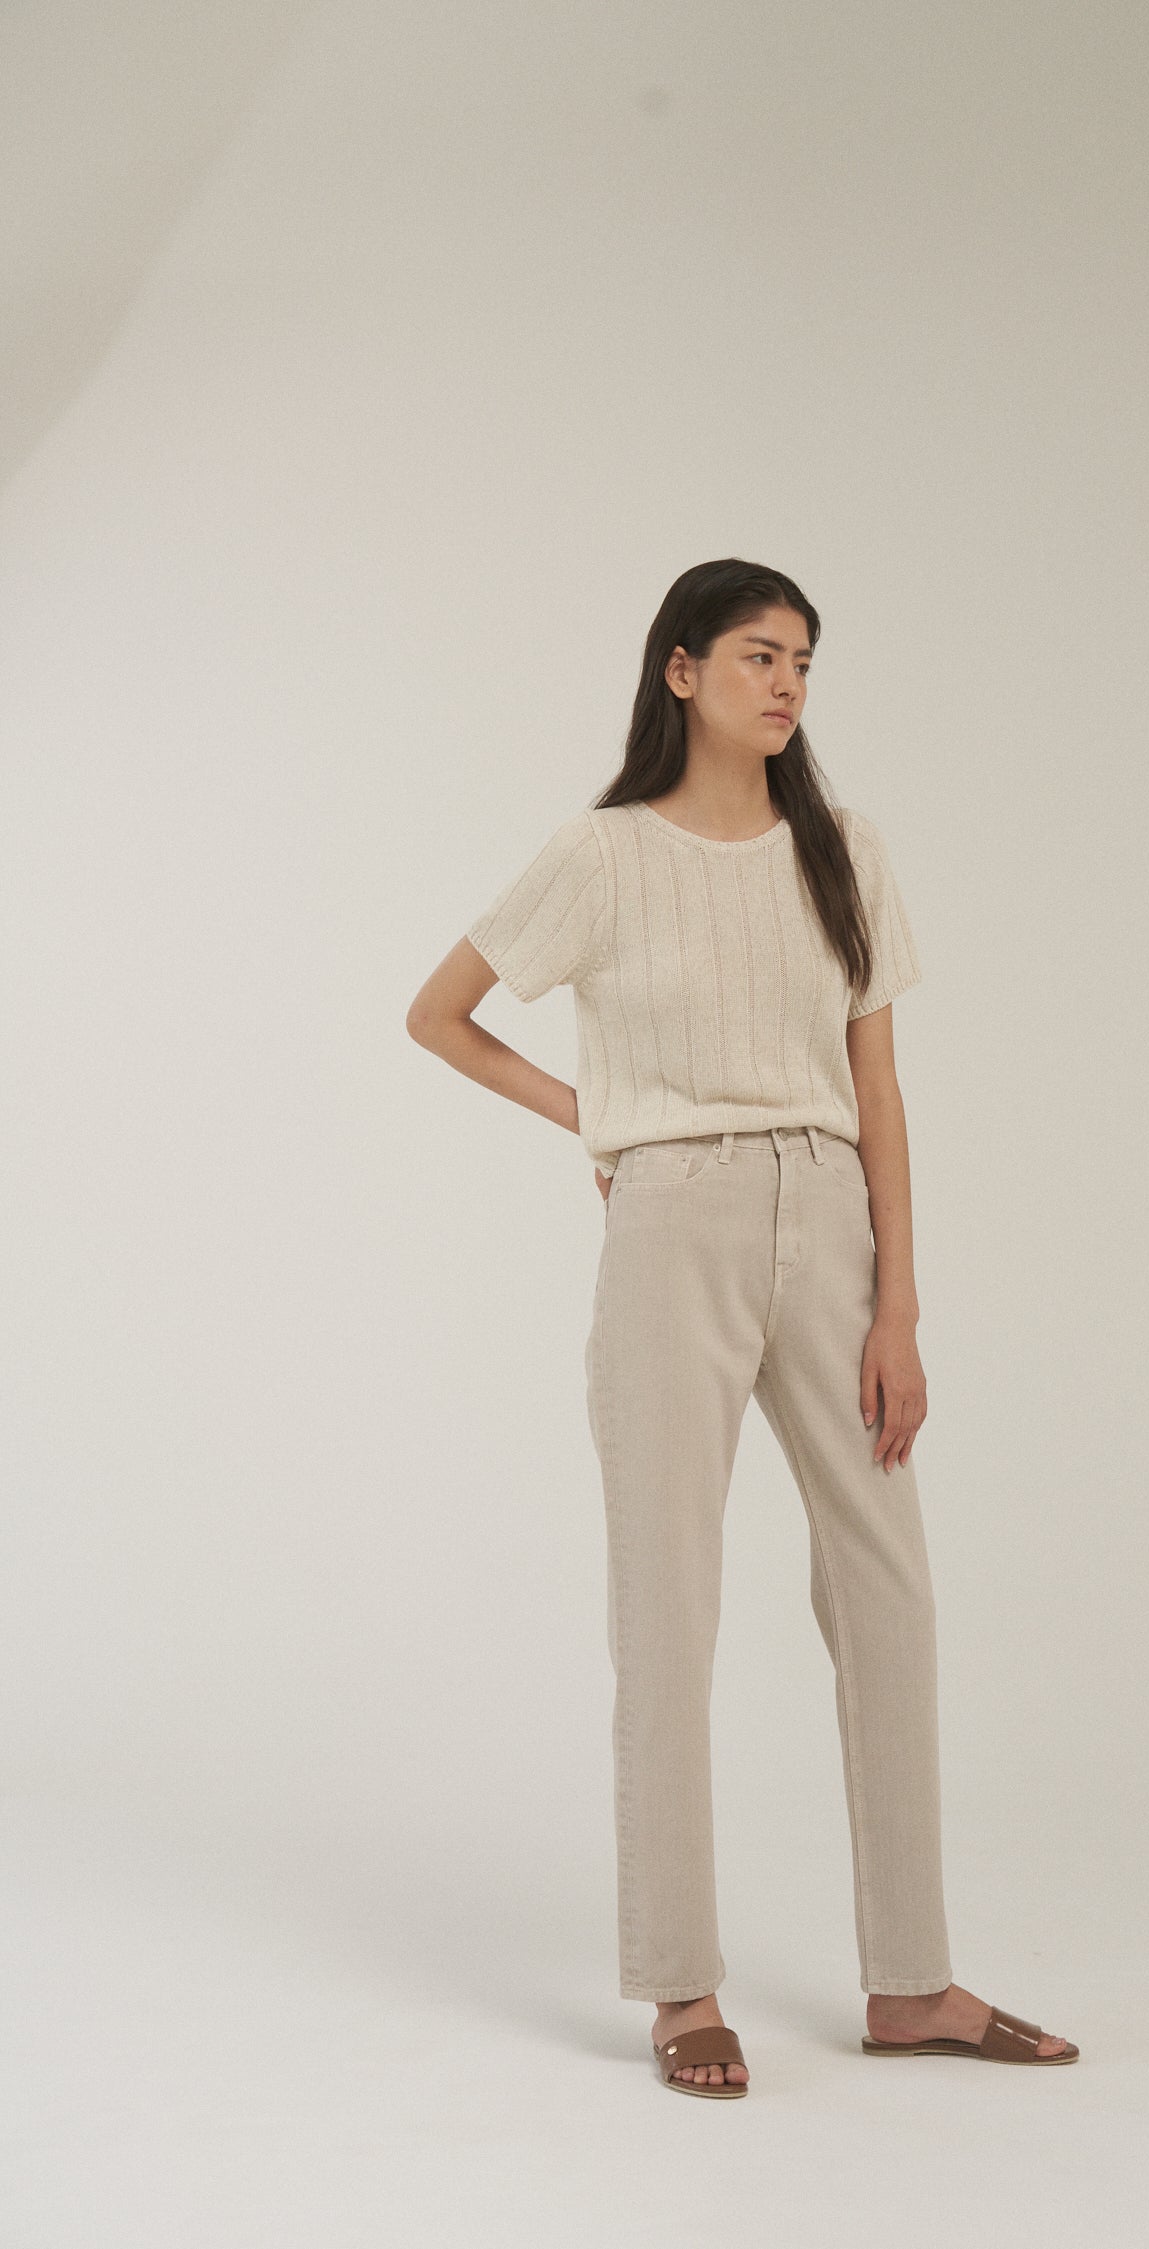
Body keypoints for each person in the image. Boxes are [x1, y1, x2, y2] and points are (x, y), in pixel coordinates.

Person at [406, 557, 1079, 2096]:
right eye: (761, 654)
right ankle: (681, 1985)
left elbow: (880, 1086)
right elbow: (438, 1013)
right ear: (682, 668)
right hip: (673, 1226)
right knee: (669, 1603)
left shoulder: (843, 849)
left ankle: (912, 1978)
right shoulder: (601, 854)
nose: (787, 683)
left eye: (804, 663)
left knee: (889, 1591)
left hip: (830, 1221)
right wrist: (601, 1121)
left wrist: (900, 1303)